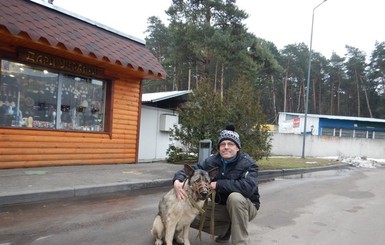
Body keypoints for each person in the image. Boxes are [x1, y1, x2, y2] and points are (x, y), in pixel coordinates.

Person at [173, 125, 260, 245]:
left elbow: (248, 188)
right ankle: (226, 229)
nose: (226, 147)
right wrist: (177, 181)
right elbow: (191, 170)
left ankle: (241, 242)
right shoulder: (211, 161)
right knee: (188, 210)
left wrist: (218, 184)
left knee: (235, 198)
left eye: (230, 144)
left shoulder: (248, 164)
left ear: (238, 147)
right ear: (219, 147)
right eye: (222, 144)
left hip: (246, 207)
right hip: (222, 206)